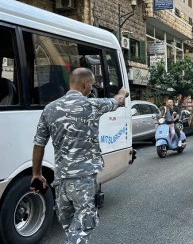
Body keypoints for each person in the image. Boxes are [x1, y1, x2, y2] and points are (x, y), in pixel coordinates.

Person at [31, 67, 128, 243]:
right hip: (83, 180)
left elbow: (39, 143)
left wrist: (36, 174)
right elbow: (118, 101)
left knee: (70, 228)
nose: (91, 89)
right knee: (82, 230)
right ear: (85, 84)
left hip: (60, 181)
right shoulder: (93, 105)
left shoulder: (49, 109)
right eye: (91, 86)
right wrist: (123, 92)